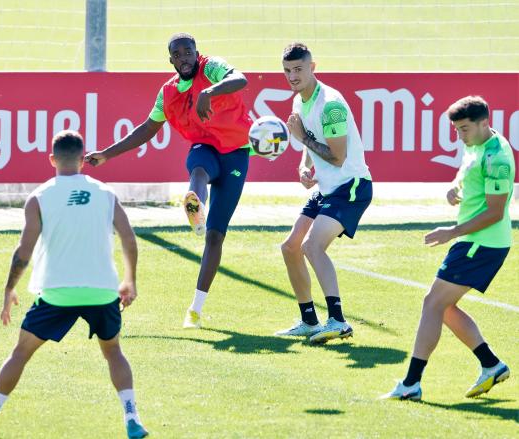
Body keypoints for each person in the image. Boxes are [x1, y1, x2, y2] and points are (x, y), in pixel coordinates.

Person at [0, 130, 148, 438]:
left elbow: (24, 251)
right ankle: (132, 419)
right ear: (82, 160)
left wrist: (9, 289)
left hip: (56, 293)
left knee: (20, 353)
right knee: (113, 351)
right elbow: (129, 238)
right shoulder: (105, 193)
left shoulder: (39, 197)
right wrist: (129, 280)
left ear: (52, 159)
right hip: (101, 290)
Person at [85, 33, 253, 329]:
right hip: (205, 147)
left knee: (215, 236)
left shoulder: (211, 67)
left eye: (189, 52)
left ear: (196, 53)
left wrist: (209, 92)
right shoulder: (169, 92)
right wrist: (107, 154)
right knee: (198, 168)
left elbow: (240, 79)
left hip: (237, 152)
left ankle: (196, 309)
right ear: (171, 60)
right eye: (178, 54)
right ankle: (195, 204)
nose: (184, 58)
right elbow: (147, 129)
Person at [382, 96, 514, 401]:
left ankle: (411, 383)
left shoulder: (496, 158)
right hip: (474, 242)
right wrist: (455, 188)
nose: (460, 136)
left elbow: (496, 211)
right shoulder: (477, 143)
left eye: (464, 129)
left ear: (484, 122)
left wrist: (452, 232)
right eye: (456, 130)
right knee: (443, 307)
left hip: (481, 243)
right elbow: (468, 171)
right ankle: (491, 365)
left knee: (432, 304)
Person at [274, 42, 373, 343]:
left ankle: (338, 321)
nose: (293, 76)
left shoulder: (330, 104)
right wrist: (306, 167)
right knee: (290, 247)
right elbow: (310, 144)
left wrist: (302, 138)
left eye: (299, 69)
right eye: (288, 70)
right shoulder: (298, 101)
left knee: (312, 247)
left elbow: (338, 157)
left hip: (351, 186)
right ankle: (309, 320)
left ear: (312, 67)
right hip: (328, 188)